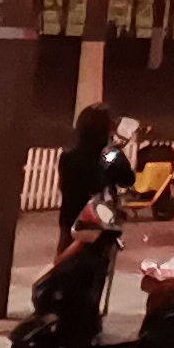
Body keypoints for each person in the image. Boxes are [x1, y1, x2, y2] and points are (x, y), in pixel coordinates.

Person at [57, 100, 131, 244]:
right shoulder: (109, 155)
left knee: (65, 260)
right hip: (98, 222)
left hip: (70, 219)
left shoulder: (68, 155)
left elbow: (64, 186)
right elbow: (128, 179)